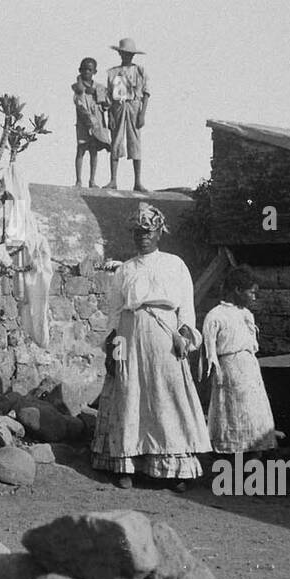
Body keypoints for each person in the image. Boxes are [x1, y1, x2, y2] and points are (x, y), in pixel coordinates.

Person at [92, 202, 211, 489]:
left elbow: (186, 306)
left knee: (167, 395)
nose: (142, 236)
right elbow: (115, 311)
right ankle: (127, 465)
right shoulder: (125, 270)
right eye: (137, 232)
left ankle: (174, 467)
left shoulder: (174, 264)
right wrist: (112, 343)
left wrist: (184, 333)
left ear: (159, 233)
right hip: (131, 335)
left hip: (164, 337)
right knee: (130, 394)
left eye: (148, 231)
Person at [201, 265, 281, 456]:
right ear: (237, 290)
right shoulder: (215, 315)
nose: (254, 297)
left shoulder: (246, 314)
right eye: (251, 292)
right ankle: (233, 463)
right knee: (233, 416)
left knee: (254, 418)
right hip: (230, 373)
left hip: (250, 372)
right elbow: (209, 353)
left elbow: (252, 345)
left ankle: (253, 462)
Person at [104, 38, 150, 192]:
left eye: (129, 54)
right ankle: (113, 180)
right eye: (124, 53)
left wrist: (142, 114)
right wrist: (110, 114)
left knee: (135, 142)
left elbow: (146, 94)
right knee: (116, 141)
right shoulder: (113, 72)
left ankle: (137, 181)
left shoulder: (139, 71)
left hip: (134, 106)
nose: (127, 56)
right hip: (118, 107)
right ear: (120, 53)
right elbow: (110, 96)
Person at [72, 57, 108, 187]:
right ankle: (78, 180)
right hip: (83, 122)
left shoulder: (99, 88)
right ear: (80, 70)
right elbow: (79, 103)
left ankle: (92, 180)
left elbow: (106, 104)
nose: (87, 72)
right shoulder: (78, 88)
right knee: (81, 149)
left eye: (90, 69)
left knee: (94, 150)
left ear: (94, 71)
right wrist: (88, 118)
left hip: (96, 123)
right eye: (84, 69)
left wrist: (99, 95)